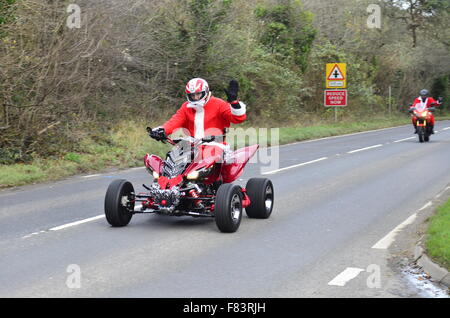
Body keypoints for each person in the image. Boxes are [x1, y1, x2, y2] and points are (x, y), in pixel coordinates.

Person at [150, 78, 247, 163]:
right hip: (191, 146)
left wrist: (234, 103)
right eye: (192, 95)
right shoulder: (186, 107)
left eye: (198, 94)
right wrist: (162, 130)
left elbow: (238, 118)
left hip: (215, 145)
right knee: (172, 158)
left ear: (205, 92)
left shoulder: (219, 104)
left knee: (209, 159)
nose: (195, 98)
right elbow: (175, 121)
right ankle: (165, 181)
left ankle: (215, 181)